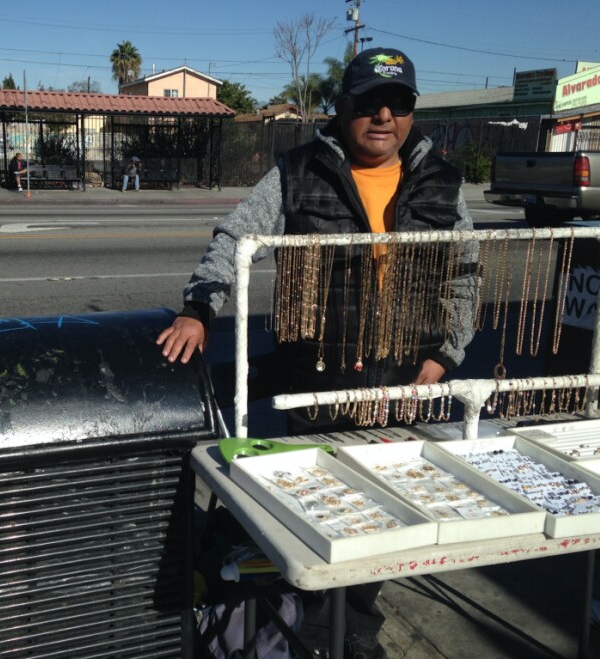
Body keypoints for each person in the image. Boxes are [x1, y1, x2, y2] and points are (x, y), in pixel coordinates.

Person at [158, 47, 477, 658]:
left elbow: (464, 274)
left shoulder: (442, 181)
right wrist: (199, 306)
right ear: (342, 106)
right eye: (368, 102)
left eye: (400, 102)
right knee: (320, 511)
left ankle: (350, 627)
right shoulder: (297, 171)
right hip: (320, 381)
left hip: (405, 382)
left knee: (384, 513)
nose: (384, 114)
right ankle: (310, 630)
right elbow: (237, 237)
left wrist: (446, 355)